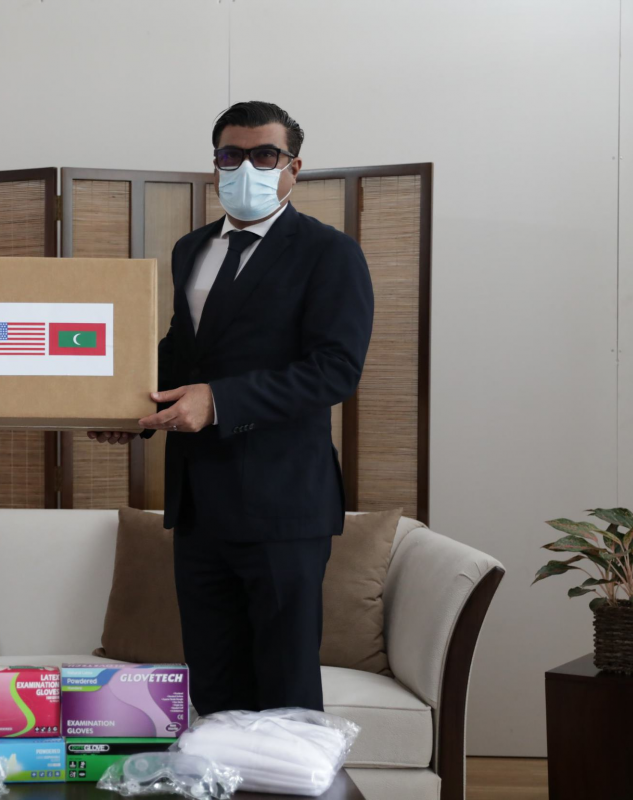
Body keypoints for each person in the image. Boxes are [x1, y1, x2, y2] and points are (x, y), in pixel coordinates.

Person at [91, 101, 374, 713]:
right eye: (232, 154)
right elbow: (182, 352)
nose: (247, 167)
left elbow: (335, 370)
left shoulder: (330, 253)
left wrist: (219, 402)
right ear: (214, 164)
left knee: (284, 690)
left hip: (283, 507)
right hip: (198, 504)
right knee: (214, 684)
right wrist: (125, 410)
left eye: (265, 155)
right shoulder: (191, 248)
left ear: (294, 167)